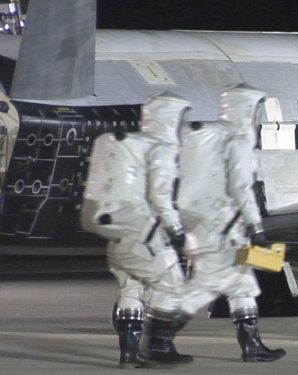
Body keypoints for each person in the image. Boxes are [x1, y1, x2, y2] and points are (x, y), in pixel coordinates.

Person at [80, 93, 193, 367]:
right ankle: (159, 346)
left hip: (114, 229)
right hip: (141, 230)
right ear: (172, 118)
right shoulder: (161, 147)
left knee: (132, 286)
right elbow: (160, 195)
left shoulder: (129, 144)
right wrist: (176, 230)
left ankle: (129, 354)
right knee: (173, 286)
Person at [176, 85, 285, 362]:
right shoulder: (236, 140)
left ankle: (252, 345)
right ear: (246, 110)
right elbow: (241, 188)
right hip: (223, 229)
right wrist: (257, 228)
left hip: (200, 225)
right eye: (255, 110)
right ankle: (159, 337)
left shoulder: (200, 137)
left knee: (240, 285)